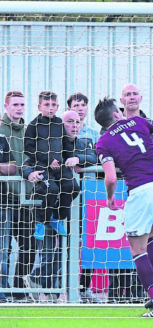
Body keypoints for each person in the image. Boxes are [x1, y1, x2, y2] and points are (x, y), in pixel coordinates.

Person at [94, 97, 153, 317]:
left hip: (141, 189)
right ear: (117, 113)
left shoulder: (103, 142)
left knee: (137, 249)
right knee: (150, 236)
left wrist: (110, 198)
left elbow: (110, 178)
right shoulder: (139, 121)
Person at [23, 91, 79, 240]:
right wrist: (48, 161)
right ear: (39, 106)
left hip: (59, 165)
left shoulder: (59, 123)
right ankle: (41, 222)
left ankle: (57, 217)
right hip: (42, 165)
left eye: (53, 105)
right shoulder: (33, 125)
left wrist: (71, 157)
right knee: (51, 189)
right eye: (47, 105)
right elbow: (28, 148)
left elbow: (66, 144)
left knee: (72, 187)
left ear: (58, 106)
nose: (50, 108)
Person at [61, 110, 100, 302]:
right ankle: (62, 289)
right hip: (62, 202)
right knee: (64, 246)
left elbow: (94, 158)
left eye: (77, 122)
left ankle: (83, 288)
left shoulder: (85, 143)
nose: (75, 125)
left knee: (88, 244)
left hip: (85, 204)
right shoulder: (55, 143)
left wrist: (79, 159)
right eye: (70, 121)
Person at [0, 91, 35, 302]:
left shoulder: (29, 130)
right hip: (4, 197)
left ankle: (19, 288)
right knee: (3, 248)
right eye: (15, 104)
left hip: (26, 198)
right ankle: (2, 290)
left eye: (22, 104)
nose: (19, 108)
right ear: (6, 106)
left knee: (29, 245)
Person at [0, 119, 17, 302]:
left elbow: (12, 168)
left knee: (3, 250)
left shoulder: (2, 140)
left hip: (3, 203)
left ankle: (2, 291)